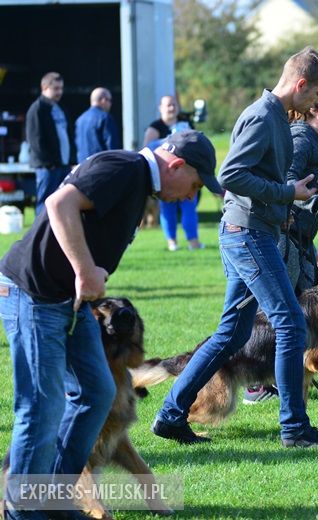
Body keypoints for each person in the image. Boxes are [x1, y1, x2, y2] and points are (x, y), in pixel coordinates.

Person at [0, 130, 219, 518]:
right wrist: (85, 270)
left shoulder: (137, 183)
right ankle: (23, 509)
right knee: (41, 405)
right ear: (177, 165)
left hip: (69, 301)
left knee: (97, 391)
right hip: (32, 294)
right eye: (195, 185)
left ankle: (56, 494)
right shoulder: (125, 167)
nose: (191, 195)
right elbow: (59, 202)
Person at [152, 46, 318, 448]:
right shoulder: (262, 116)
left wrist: (290, 198)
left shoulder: (277, 115)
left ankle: (171, 415)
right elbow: (231, 174)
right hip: (248, 234)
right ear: (300, 84)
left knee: (233, 331)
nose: (316, 105)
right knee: (291, 323)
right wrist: (286, 192)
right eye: (315, 96)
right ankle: (294, 428)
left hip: (249, 232)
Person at [244, 86, 318, 405]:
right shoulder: (302, 138)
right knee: (271, 313)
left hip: (299, 239)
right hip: (283, 238)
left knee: (297, 311)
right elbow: (287, 182)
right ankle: (256, 383)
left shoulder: (315, 140)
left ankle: (293, 375)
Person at [143, 95, 203, 251]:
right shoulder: (154, 127)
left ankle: (193, 241)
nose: (172, 108)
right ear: (160, 108)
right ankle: (172, 242)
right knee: (167, 208)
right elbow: (147, 151)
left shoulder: (186, 123)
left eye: (174, 104)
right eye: (168, 105)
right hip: (165, 177)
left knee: (189, 207)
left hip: (186, 175)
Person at [26, 71, 74, 215]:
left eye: (61, 88)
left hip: (63, 166)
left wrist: (70, 160)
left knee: (62, 204)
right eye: (56, 88)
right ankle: (39, 237)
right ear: (44, 88)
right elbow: (35, 140)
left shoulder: (60, 109)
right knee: (45, 206)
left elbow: (68, 136)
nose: (60, 92)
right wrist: (49, 163)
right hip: (48, 168)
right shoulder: (37, 109)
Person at [74, 87, 120, 163]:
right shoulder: (105, 117)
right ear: (103, 100)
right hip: (100, 166)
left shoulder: (80, 120)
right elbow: (112, 147)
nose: (110, 104)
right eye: (110, 100)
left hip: (83, 167)